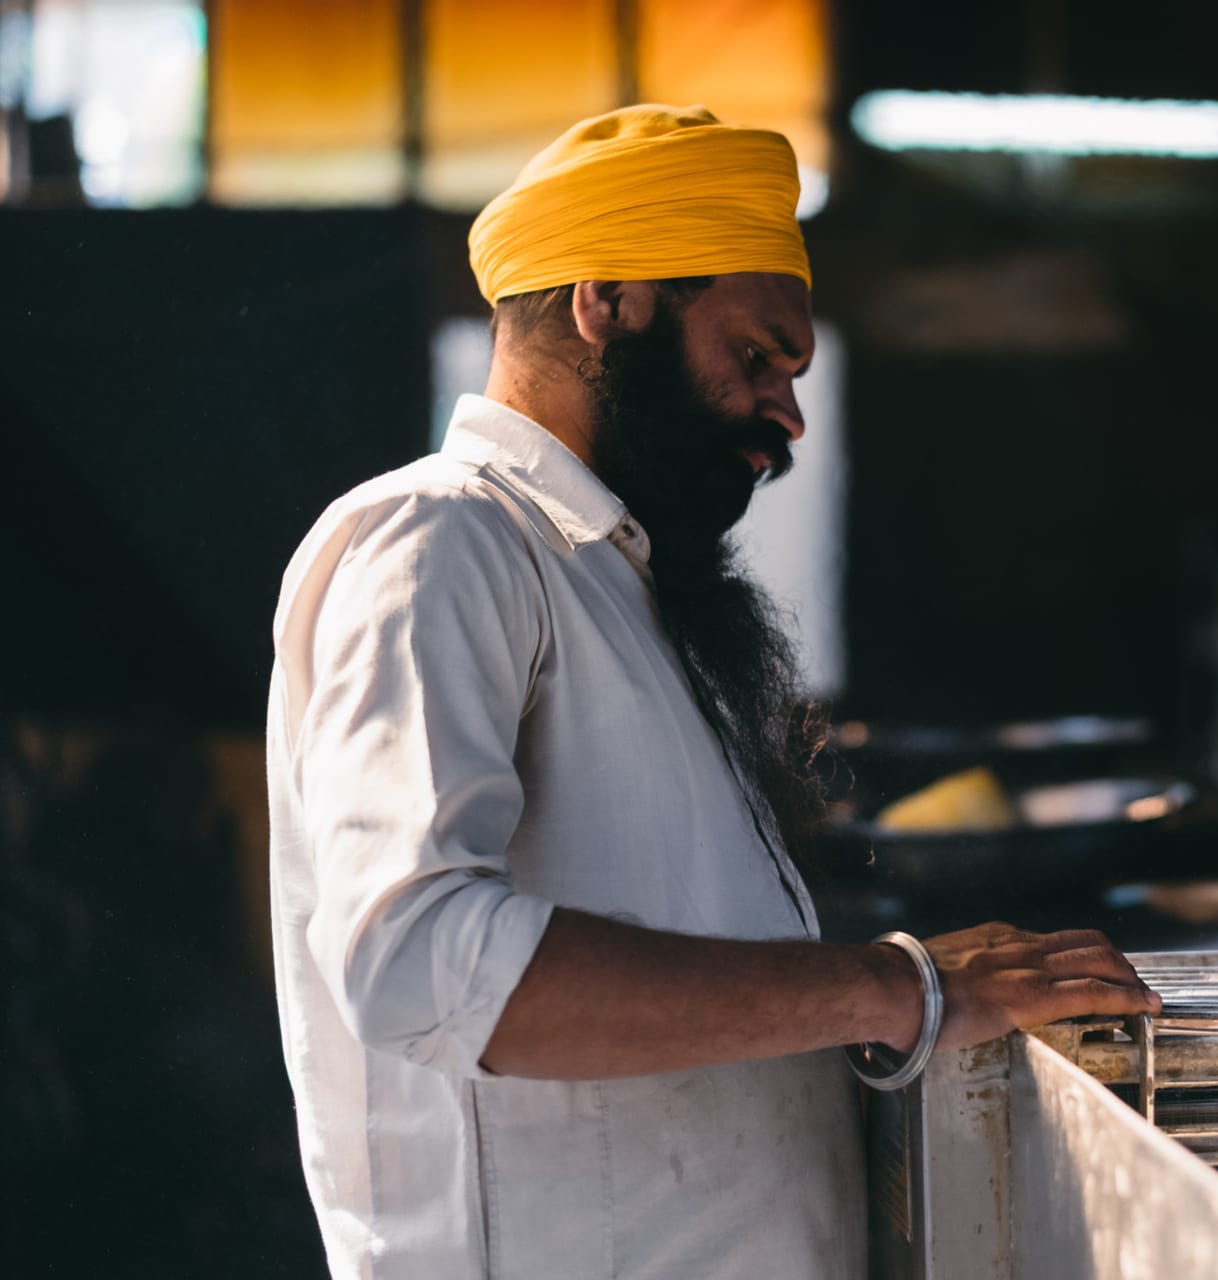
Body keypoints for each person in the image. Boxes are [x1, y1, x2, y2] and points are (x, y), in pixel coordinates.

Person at [266, 104, 1160, 1279]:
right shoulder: (442, 539)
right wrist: (894, 987)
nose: (786, 417)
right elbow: (422, 963)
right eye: (756, 356)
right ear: (610, 300)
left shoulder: (614, 579)